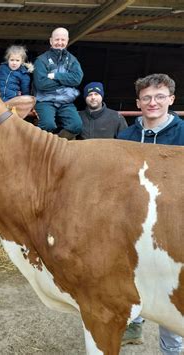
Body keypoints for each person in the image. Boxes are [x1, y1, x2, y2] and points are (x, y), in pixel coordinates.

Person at [118, 73, 183, 354]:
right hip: (133, 224)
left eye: (159, 96)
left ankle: (172, 347)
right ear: (138, 102)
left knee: (172, 288)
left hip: (173, 227)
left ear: (171, 99)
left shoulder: (183, 133)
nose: (152, 102)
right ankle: (135, 322)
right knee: (133, 275)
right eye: (146, 98)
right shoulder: (126, 137)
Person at [33, 27, 83, 140]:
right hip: (45, 100)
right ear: (51, 41)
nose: (59, 43)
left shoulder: (72, 60)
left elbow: (77, 79)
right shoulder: (41, 60)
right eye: (56, 39)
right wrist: (66, 82)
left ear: (67, 41)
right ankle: (40, 149)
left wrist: (55, 76)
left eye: (62, 40)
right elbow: (41, 84)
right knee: (48, 125)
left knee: (76, 126)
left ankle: (58, 145)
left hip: (65, 101)